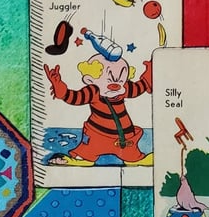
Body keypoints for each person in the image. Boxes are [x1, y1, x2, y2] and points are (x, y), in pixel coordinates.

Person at [44, 28, 152, 164]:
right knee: (86, 156)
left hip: (124, 140)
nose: (116, 84)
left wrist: (150, 74)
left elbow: (140, 87)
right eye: (109, 79)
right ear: (90, 79)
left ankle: (138, 159)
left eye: (120, 78)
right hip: (97, 136)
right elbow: (74, 97)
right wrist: (60, 89)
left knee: (134, 158)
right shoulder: (93, 92)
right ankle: (77, 160)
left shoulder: (123, 89)